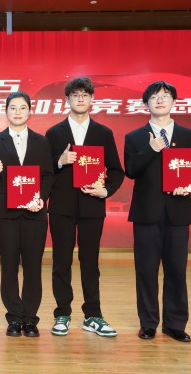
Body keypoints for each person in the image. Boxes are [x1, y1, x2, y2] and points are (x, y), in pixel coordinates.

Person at [45, 77, 125, 337]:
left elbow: (116, 170)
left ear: (92, 99)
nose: (80, 99)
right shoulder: (54, 133)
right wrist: (59, 161)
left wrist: (106, 190)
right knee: (61, 261)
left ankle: (93, 314)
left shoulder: (103, 133)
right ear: (67, 99)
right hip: (61, 207)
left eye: (85, 95)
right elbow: (44, 172)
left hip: (92, 206)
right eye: (75, 95)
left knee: (90, 262)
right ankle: (62, 313)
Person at [125, 81, 191, 343]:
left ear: (173, 102)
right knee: (146, 270)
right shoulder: (134, 137)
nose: (160, 100)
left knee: (177, 270)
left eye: (165, 96)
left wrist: (188, 185)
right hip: (146, 212)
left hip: (178, 211)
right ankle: (148, 324)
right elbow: (131, 170)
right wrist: (152, 148)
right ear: (146, 103)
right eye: (154, 97)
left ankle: (175, 324)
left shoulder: (190, 135)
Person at [0, 92, 54, 337]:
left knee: (33, 267)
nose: (17, 112)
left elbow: (48, 175)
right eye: (13, 107)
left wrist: (41, 199)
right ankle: (14, 317)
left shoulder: (41, 141)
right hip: (6, 213)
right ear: (6, 111)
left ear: (30, 111)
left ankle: (30, 319)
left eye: (22, 108)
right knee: (9, 266)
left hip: (34, 212)